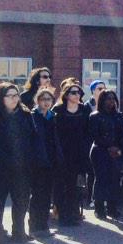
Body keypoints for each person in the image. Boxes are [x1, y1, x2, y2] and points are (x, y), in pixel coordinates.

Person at [0, 83, 38, 244]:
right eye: (10, 95)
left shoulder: (25, 114)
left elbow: (33, 138)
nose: (14, 99)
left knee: (21, 200)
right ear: (0, 97)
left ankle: (19, 232)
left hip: (21, 167)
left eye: (16, 95)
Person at [52, 81, 92, 228]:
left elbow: (88, 130)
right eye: (73, 92)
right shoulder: (58, 109)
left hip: (78, 152)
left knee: (73, 185)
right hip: (62, 151)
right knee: (60, 184)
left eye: (79, 93)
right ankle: (61, 214)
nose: (77, 95)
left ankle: (72, 213)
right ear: (66, 95)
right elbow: (53, 131)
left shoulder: (84, 109)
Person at [88, 90, 123, 219]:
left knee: (115, 179)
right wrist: (109, 146)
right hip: (100, 151)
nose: (111, 101)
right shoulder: (95, 116)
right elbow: (94, 136)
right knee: (101, 179)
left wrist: (118, 148)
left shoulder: (119, 116)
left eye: (113, 99)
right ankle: (99, 208)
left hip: (116, 152)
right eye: (108, 99)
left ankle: (112, 208)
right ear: (102, 101)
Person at [28, 88, 61, 238]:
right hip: (36, 160)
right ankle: (34, 226)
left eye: (49, 99)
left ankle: (43, 225)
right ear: (37, 101)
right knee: (37, 195)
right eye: (43, 99)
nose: (46, 102)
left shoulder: (53, 116)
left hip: (51, 159)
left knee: (47, 195)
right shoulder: (32, 116)